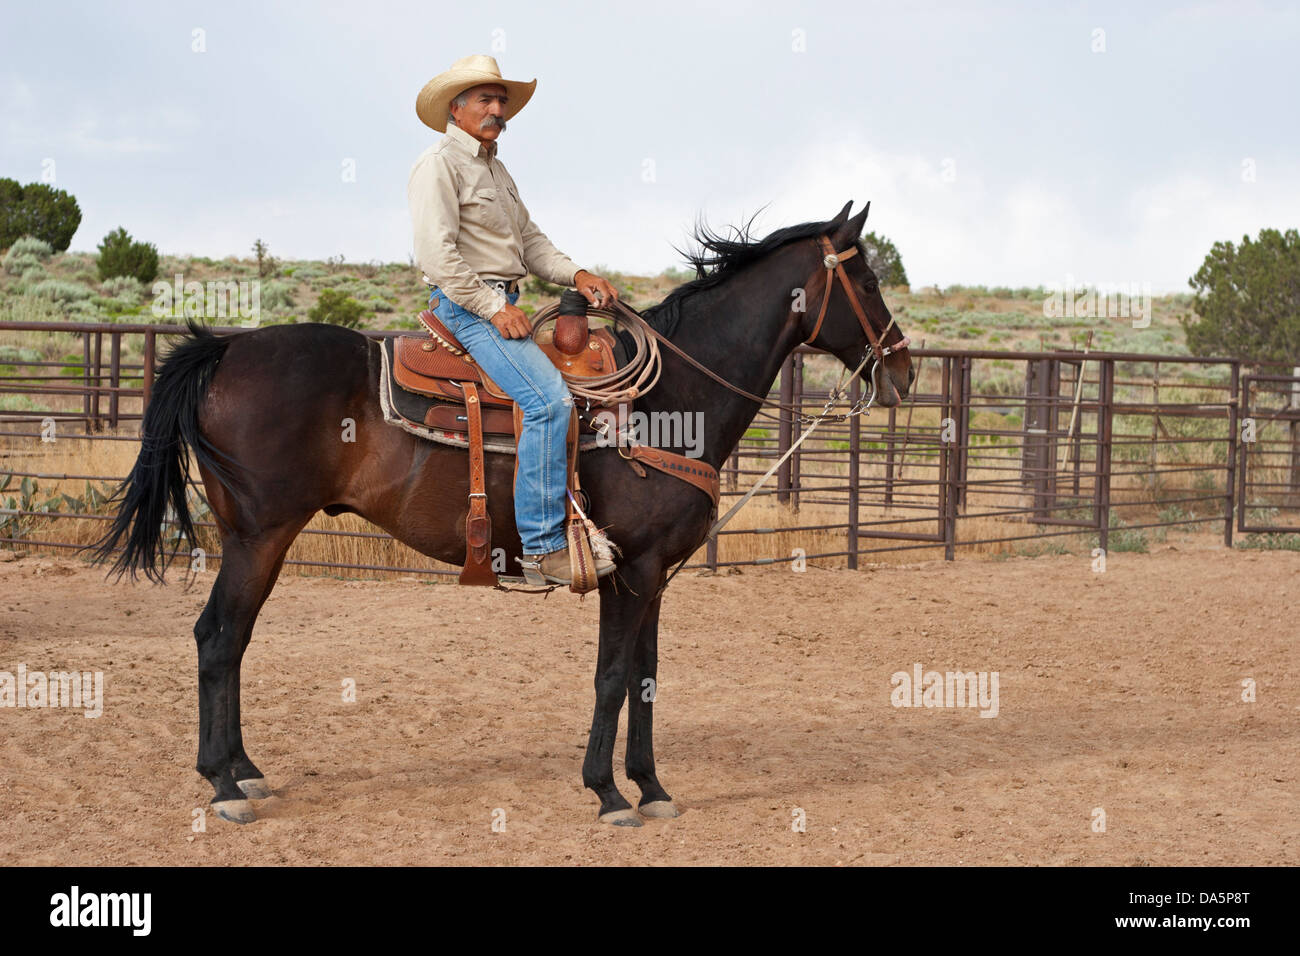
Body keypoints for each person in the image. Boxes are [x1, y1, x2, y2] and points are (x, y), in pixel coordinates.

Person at [408, 54, 619, 585]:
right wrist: (494, 308)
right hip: (466, 305)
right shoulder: (439, 165)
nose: (497, 108)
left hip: (499, 301)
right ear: (456, 109)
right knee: (548, 401)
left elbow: (530, 243)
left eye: (501, 100)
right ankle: (543, 547)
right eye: (485, 98)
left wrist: (578, 276)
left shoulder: (496, 170)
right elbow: (437, 255)